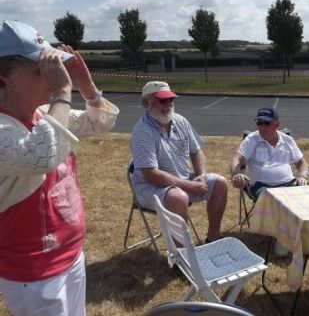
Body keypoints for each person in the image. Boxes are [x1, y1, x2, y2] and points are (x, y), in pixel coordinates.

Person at [0, 20, 119, 316]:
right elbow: (43, 155)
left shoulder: (44, 114)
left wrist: (86, 87)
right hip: (33, 269)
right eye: (40, 70)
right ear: (3, 75)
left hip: (69, 252)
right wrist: (62, 91)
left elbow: (99, 122)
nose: (53, 78)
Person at [130, 81, 227, 242]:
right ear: (147, 103)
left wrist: (201, 175)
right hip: (148, 188)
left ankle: (213, 237)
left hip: (181, 181)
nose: (168, 104)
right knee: (179, 197)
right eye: (162, 100)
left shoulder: (180, 121)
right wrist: (189, 185)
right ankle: (181, 256)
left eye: (171, 100)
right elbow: (151, 175)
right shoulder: (142, 132)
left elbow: (196, 151)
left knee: (220, 183)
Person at [230, 106, 309, 200]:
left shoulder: (287, 140)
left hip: (289, 184)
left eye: (267, 123)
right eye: (259, 123)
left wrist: (303, 176)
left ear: (277, 124)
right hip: (262, 187)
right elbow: (237, 159)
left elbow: (302, 163)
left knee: (308, 196)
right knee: (274, 200)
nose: (262, 127)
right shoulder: (251, 140)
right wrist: (236, 174)